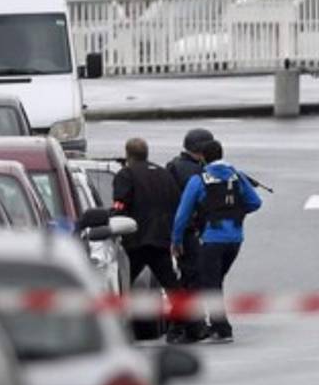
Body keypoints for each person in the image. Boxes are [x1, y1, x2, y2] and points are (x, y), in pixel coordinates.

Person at [171, 140, 261, 343]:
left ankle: (222, 329)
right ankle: (217, 324)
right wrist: (235, 212)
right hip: (236, 238)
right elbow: (255, 202)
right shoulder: (237, 176)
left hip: (211, 238)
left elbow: (182, 214)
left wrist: (176, 240)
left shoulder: (199, 180)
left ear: (202, 157)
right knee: (215, 280)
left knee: (208, 282)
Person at [111, 137, 191, 342]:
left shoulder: (126, 174)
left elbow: (120, 205)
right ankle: (183, 324)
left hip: (136, 238)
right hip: (161, 238)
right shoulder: (164, 174)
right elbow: (176, 202)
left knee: (121, 284)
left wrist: (111, 218)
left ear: (128, 154)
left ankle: (110, 326)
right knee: (171, 285)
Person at [165, 128, 213, 342]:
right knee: (192, 280)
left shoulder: (173, 166)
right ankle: (185, 326)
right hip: (190, 231)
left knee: (187, 278)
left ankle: (188, 325)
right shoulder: (196, 172)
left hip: (179, 230)